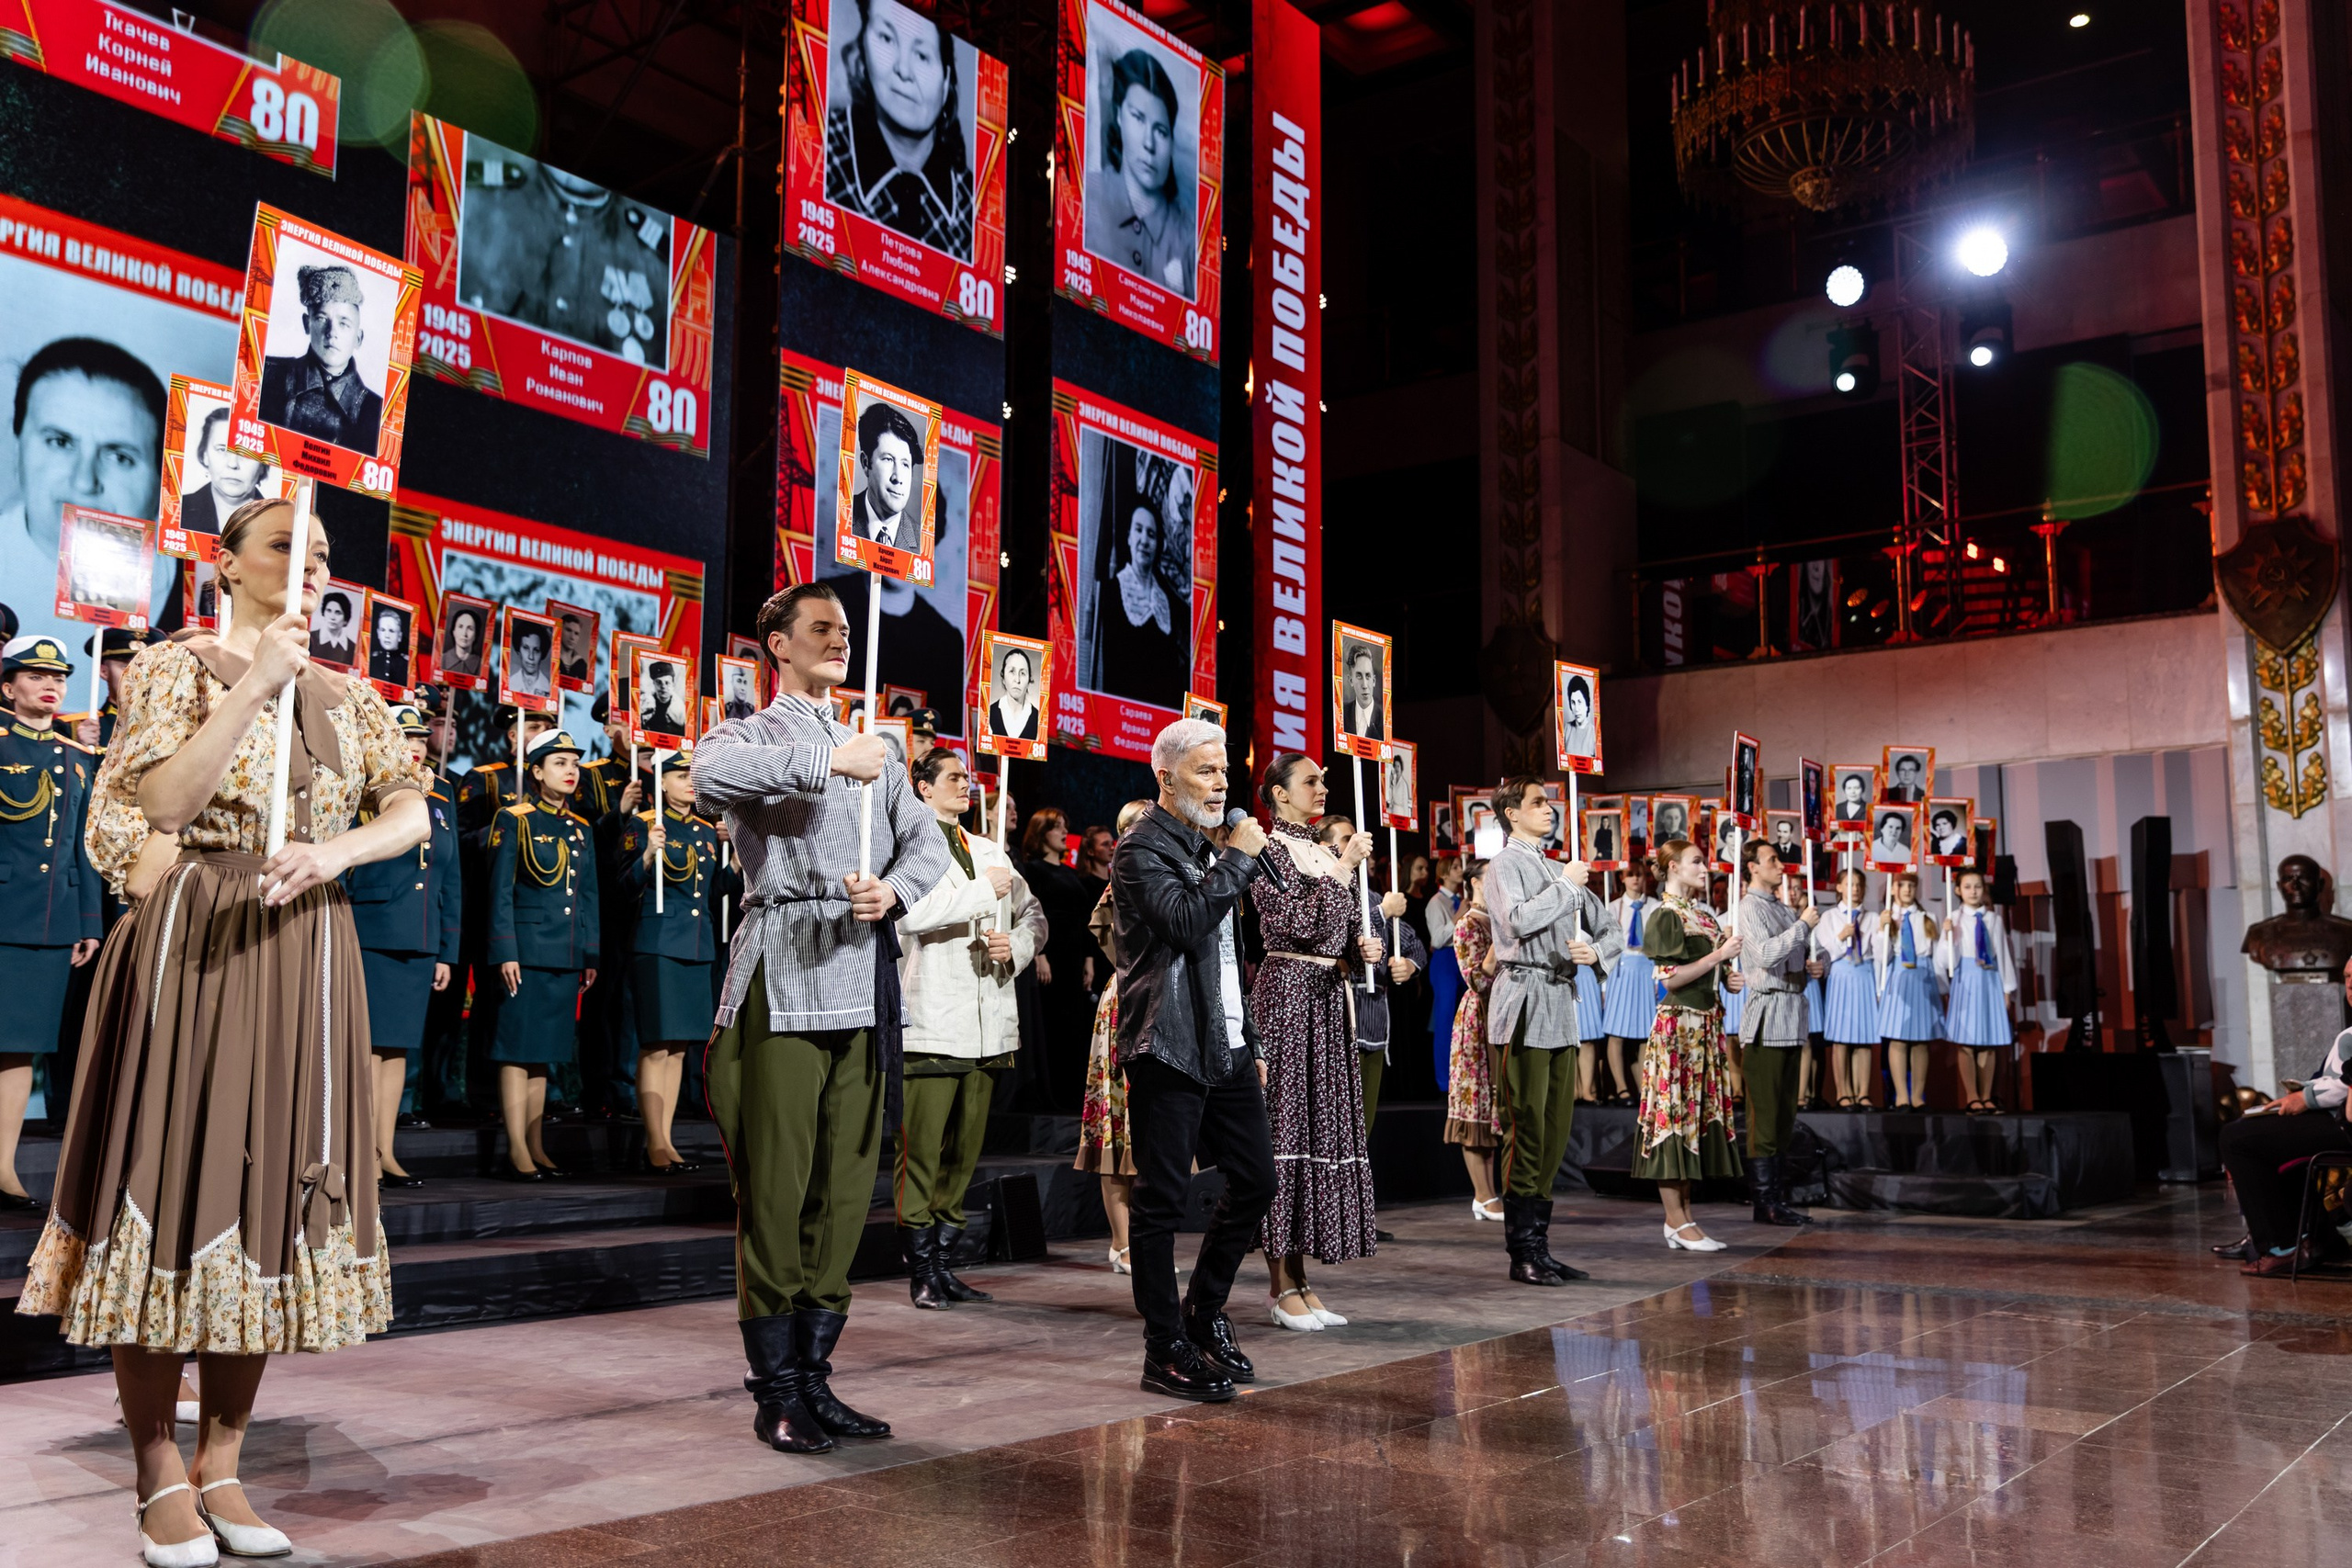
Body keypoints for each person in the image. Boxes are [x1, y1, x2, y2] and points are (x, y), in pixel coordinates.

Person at [17, 495, 430, 1564]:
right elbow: (158, 805)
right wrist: (252, 686)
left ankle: (225, 1466)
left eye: (322, 553)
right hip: (194, 941)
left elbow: (409, 809)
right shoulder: (176, 668)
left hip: (307, 947)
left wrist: (336, 853)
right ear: (228, 564)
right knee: (171, 1190)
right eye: (287, 545)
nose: (311, 565)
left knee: (270, 1200)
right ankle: (158, 1469)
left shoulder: (352, 694)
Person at [691, 581, 950, 1453]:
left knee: (842, 1192)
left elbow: (929, 843)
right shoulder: (753, 733)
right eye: (822, 628)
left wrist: (894, 891)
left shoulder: (874, 745)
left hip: (862, 970)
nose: (840, 639)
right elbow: (705, 776)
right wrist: (826, 764)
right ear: (779, 644)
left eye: (844, 629)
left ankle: (814, 1376)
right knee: (778, 1188)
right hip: (785, 965)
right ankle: (774, 1388)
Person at [1109, 716, 1279, 1401]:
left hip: (1225, 1042)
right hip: (1168, 1041)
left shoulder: (1210, 847)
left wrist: (1251, 1040)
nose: (1220, 784)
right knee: (1161, 1199)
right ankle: (1163, 1349)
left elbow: (1228, 961)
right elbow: (1183, 923)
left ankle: (1204, 1313)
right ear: (1166, 776)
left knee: (1257, 1180)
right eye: (1206, 771)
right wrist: (1237, 860)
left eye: (1224, 772)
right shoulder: (1140, 848)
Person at [894, 749, 1043, 1307]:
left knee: (964, 1155)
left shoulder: (989, 849)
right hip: (933, 1019)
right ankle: (921, 1270)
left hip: (989, 1024)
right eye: (953, 777)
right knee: (922, 1153)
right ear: (923, 787)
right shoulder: (906, 845)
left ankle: (944, 1264)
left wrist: (1018, 945)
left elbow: (1035, 915)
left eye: (967, 776)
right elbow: (909, 914)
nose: (965, 784)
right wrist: (983, 892)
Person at [1248, 760, 1382, 1331]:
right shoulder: (1267, 850)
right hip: (1288, 997)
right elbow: (1297, 925)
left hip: (1326, 998)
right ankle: (1280, 1285)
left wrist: (1362, 949)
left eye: (1323, 781)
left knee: (1318, 1132)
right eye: (1310, 782)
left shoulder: (1320, 852)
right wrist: (1344, 868)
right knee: (1287, 1133)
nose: (1322, 789)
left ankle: (1303, 1280)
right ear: (1279, 795)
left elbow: (1333, 932)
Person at [1484, 773, 1620, 1287]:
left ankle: (1540, 1245)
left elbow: (1611, 930)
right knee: (1526, 1125)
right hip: (1523, 996)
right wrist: (1566, 887)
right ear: (1512, 813)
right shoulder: (1505, 864)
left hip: (1562, 1000)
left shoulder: (1562, 868)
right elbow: (1515, 922)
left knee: (1556, 1129)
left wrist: (1594, 952)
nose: (1549, 809)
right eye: (1538, 802)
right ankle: (1522, 1250)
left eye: (1548, 802)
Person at [341, 703, 463, 1189]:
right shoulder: (361, 783)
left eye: (419, 739)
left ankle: (385, 1151)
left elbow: (450, 879)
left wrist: (447, 950)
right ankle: (358, 1153)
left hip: (420, 935)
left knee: (397, 1051)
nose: (415, 747)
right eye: (404, 738)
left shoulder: (442, 792)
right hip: (370, 931)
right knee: (366, 1049)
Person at [0, 635, 102, 1210]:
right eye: (36, 676)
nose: (50, 686)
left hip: (48, 921)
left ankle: (3, 1170)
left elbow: (80, 848)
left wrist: (87, 921)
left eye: (58, 678)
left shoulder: (75, 757)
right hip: (3, 910)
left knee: (22, 1049)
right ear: (8, 686)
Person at [3, 337, 178, 655]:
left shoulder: (201, 594)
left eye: (120, 457)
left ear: (161, 477)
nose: (84, 482)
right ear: (18, 446)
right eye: (60, 442)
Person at [484, 728, 601, 1179]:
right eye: (559, 763)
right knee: (517, 1050)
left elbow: (587, 896)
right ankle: (516, 1147)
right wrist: (505, 950)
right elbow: (500, 891)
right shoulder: (515, 819)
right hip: (526, 951)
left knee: (543, 1053)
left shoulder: (581, 828)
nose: (571, 771)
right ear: (536, 772)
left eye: (574, 764)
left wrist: (589, 954)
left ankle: (535, 1144)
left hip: (564, 952)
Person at [616, 749, 738, 1173]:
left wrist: (736, 860)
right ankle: (655, 1142)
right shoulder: (645, 824)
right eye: (681, 775)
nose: (690, 782)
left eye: (693, 776)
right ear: (661, 782)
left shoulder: (705, 830)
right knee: (656, 1045)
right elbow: (624, 887)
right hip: (659, 943)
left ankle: (667, 1141)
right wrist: (647, 856)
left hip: (697, 945)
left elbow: (713, 892)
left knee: (679, 1048)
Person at [1634, 838, 1744, 1252]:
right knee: (1672, 1119)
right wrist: (1717, 958)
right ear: (1673, 867)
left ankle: (1684, 1218)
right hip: (1678, 1028)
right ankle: (1676, 1221)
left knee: (1692, 1121)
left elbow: (1714, 975)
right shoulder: (1665, 916)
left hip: (1705, 1028)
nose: (1704, 868)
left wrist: (1730, 978)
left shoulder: (1705, 916)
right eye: (1696, 861)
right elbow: (1671, 979)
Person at [2219, 964, 2352, 1277]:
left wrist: (2305, 1098)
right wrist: (2301, 1092)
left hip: (2344, 1126)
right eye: (2347, 977)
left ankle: (2285, 1247)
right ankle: (2309, 1238)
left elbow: (2346, 1087)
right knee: (2247, 1128)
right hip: (2333, 1117)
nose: (2351, 984)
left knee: (2238, 1140)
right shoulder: (2348, 1034)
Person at [824, 0, 974, 256]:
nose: (903, 70)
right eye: (887, 38)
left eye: (922, 56)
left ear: (946, 80)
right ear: (863, 48)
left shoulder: (972, 205)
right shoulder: (820, 148)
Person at [1077, 800, 1154, 1274]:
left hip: (1161, 1002)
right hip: (1129, 1000)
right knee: (1117, 1125)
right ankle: (1122, 1243)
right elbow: (1106, 934)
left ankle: (1144, 1242)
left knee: (1152, 1129)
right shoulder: (1123, 880)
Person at [1732, 840, 1822, 1226]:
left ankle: (1778, 1197)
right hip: (1767, 1018)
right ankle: (1764, 1201)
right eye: (1772, 860)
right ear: (1752, 867)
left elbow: (1803, 953)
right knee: (1765, 1115)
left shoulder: (1783, 908)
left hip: (1792, 1014)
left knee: (1785, 1114)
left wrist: (1818, 964)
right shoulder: (1748, 907)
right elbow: (1766, 955)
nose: (1781, 866)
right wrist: (1802, 926)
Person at [1320, 816, 1421, 1137]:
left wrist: (1409, 965)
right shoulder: (1322, 893)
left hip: (1374, 1023)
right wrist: (1382, 914)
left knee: (1364, 1126)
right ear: (1325, 847)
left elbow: (1414, 944)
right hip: (1336, 1023)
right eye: (1347, 838)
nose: (1359, 844)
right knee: (1335, 1125)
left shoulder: (1374, 897)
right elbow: (1340, 939)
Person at [1084, 46, 1194, 295]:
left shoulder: (1189, 241)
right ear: (1119, 115)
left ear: (1172, 141)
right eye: (1138, 118)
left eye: (1161, 131)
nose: (1149, 143)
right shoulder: (1086, 197)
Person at [1021, 807, 1099, 1110]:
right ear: (1042, 833)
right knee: (1053, 1023)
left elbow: (1084, 917)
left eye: (1066, 825)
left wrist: (1088, 960)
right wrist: (1039, 954)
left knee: (1074, 1027)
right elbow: (1029, 913)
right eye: (1057, 827)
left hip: (1074, 957)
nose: (1065, 832)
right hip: (1051, 954)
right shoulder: (1032, 870)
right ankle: (1050, 1095)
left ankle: (1071, 1096)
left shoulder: (1070, 872)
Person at [258, 265, 382, 451]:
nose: (332, 332)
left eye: (344, 324)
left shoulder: (376, 412)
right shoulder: (266, 374)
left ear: (358, 338)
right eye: (322, 319)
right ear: (307, 324)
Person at [1442, 862, 1503, 1222]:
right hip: (1478, 1019)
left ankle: (1492, 1192)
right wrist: (1499, 945)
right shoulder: (1467, 924)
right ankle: (1482, 1194)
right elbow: (1477, 980)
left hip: (1501, 1015)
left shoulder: (1498, 920)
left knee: (1494, 1107)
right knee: (1475, 1106)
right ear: (1476, 882)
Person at [1092, 495, 1187, 712]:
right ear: (1128, 537)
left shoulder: (1167, 602)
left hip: (1162, 723)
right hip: (1119, 718)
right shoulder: (1109, 591)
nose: (1144, 540)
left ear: (1158, 544)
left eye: (1151, 534)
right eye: (1139, 530)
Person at [1938, 868, 2018, 1114]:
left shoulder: (1994, 920)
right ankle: (1972, 1096)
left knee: (1988, 1041)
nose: (1973, 891)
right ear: (1958, 890)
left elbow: (2003, 955)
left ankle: (1986, 1096)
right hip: (1966, 980)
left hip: (1989, 980)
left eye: (1978, 887)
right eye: (1968, 887)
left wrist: (2007, 990)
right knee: (1967, 1042)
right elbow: (1944, 961)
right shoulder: (1954, 918)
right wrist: (1949, 937)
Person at [1872, 871, 1941, 1111]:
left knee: (1920, 1041)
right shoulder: (1886, 918)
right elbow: (1881, 957)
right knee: (1898, 1038)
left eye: (1912, 885)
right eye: (1902, 885)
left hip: (1922, 978)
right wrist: (1882, 929)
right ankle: (1901, 1095)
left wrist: (1941, 987)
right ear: (1893, 889)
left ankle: (1918, 1095)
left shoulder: (1928, 918)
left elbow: (1936, 956)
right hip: (1898, 977)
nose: (1907, 889)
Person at [1598, 858, 1658, 1108]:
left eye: (1639, 874)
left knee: (1646, 1032)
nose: (1635, 878)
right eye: (1630, 874)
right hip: (1621, 970)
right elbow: (1606, 948)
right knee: (1617, 1031)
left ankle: (1644, 1088)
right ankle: (1621, 1087)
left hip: (1647, 969)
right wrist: (1603, 985)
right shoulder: (1612, 908)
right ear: (1622, 878)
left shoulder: (1655, 906)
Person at [1817, 869, 1880, 1109]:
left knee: (1864, 1038)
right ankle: (1843, 1092)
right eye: (1849, 884)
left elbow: (1879, 953)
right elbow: (1825, 952)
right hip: (1841, 975)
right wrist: (1842, 936)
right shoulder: (1829, 917)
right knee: (1841, 1038)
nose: (1854, 889)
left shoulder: (1872, 917)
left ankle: (1863, 1092)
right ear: (1839, 887)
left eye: (1858, 885)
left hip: (1864, 974)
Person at [177, 406, 273, 536]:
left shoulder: (278, 523)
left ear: (262, 464)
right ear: (205, 455)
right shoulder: (178, 511)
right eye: (222, 449)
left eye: (247, 453)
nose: (233, 464)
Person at [849, 400, 923, 547]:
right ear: (865, 463)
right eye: (888, 459)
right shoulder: (841, 515)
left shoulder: (922, 542)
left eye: (905, 464)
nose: (898, 478)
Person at [1424, 855, 1466, 1077]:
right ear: (1444, 873)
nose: (1460, 870)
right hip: (1444, 961)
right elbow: (1437, 939)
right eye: (1455, 867)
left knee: (1462, 1019)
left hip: (1461, 959)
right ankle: (1444, 1077)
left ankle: (1461, 1072)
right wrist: (1458, 917)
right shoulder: (1436, 902)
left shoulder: (1462, 899)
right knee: (1445, 1019)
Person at [988, 646, 1039, 742]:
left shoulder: (1039, 720)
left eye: (1022, 673)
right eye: (1012, 671)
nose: (1017, 680)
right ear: (1003, 678)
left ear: (1029, 680)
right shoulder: (988, 713)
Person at [1340, 643, 1383, 741]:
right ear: (1351, 680)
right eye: (1359, 676)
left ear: (1374, 681)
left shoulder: (1384, 721)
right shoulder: (1342, 713)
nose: (1364, 685)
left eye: (1368, 676)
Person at [309, 588, 357, 665]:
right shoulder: (309, 637)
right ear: (323, 613)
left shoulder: (353, 648)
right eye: (329, 611)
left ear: (345, 618)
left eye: (338, 613)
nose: (332, 617)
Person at [507, 622, 554, 703]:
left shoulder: (549, 688)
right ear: (518, 651)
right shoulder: (510, 683)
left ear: (542, 654)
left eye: (536, 650)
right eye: (526, 648)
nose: (531, 657)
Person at [639, 660, 686, 737]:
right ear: (654, 683)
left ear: (673, 684)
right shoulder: (644, 704)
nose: (663, 686)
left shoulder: (681, 710)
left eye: (667, 682)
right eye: (659, 682)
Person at [368, 604, 410, 687]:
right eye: (383, 630)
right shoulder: (371, 660)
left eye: (391, 631)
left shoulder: (407, 665)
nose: (387, 635)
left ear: (399, 636)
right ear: (378, 633)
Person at [438, 604, 485, 679]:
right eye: (460, 627)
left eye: (470, 628)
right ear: (453, 631)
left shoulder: (483, 667)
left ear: (476, 635)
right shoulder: (440, 660)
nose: (464, 634)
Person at [1559, 673, 1594, 758]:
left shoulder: (1593, 733)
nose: (1576, 709)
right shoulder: (1566, 728)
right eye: (1573, 702)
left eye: (1579, 702)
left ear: (1587, 703)